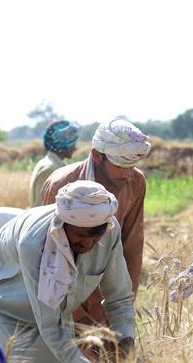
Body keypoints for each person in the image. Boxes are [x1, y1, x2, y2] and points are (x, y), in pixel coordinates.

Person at [0, 180, 136, 363]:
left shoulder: (110, 229)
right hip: (4, 308)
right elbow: (50, 325)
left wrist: (126, 341)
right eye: (80, 237)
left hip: (49, 316)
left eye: (95, 238)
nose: (88, 245)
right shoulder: (33, 243)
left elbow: (119, 297)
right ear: (61, 225)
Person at [41, 118, 150, 326]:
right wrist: (83, 314)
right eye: (120, 165)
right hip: (62, 289)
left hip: (106, 280)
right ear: (97, 156)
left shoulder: (136, 182)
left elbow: (132, 246)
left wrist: (122, 306)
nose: (128, 174)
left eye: (132, 165)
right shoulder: (60, 185)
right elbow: (52, 259)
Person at [28, 120, 80, 207]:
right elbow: (43, 207)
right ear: (63, 144)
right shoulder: (50, 168)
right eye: (72, 143)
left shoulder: (51, 163)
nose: (75, 148)